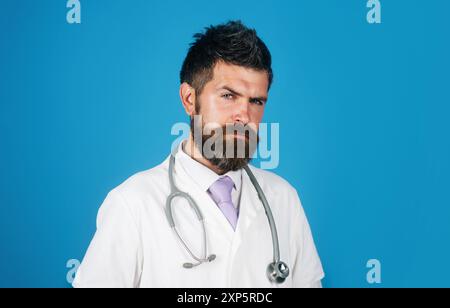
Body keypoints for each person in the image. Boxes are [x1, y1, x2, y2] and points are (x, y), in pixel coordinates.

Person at [73, 20, 324, 288]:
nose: (245, 115)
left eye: (256, 101)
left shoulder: (283, 199)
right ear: (189, 99)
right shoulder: (132, 204)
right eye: (228, 96)